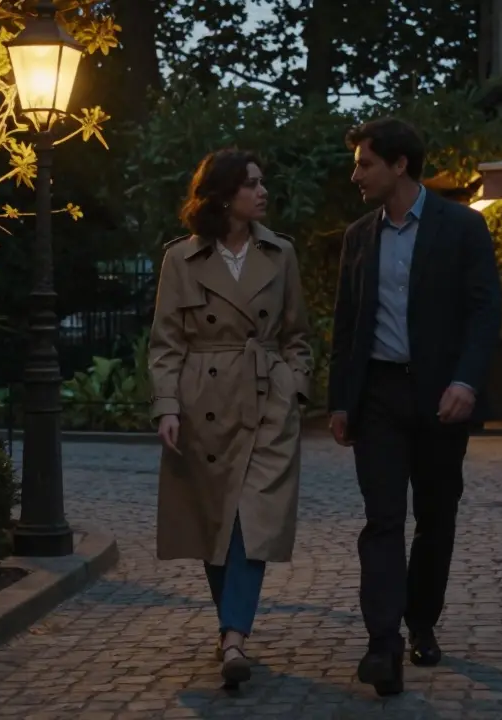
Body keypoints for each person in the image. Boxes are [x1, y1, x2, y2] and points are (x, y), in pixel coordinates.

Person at [327, 118, 502, 697]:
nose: (356, 174)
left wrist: (467, 383)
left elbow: (484, 313)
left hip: (441, 397)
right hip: (377, 395)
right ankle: (383, 645)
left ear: (399, 165)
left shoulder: (463, 228)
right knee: (382, 520)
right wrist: (340, 401)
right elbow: (347, 324)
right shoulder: (359, 236)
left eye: (365, 164)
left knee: (436, 515)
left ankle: (421, 618)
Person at [148, 149, 313, 688]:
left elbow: (297, 336)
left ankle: (234, 635)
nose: (263, 192)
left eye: (263, 182)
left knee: (251, 519)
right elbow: (166, 344)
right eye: (251, 184)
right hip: (205, 403)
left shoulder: (281, 252)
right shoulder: (181, 259)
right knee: (214, 518)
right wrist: (168, 406)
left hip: (267, 400)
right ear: (222, 196)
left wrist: (295, 389)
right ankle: (231, 629)